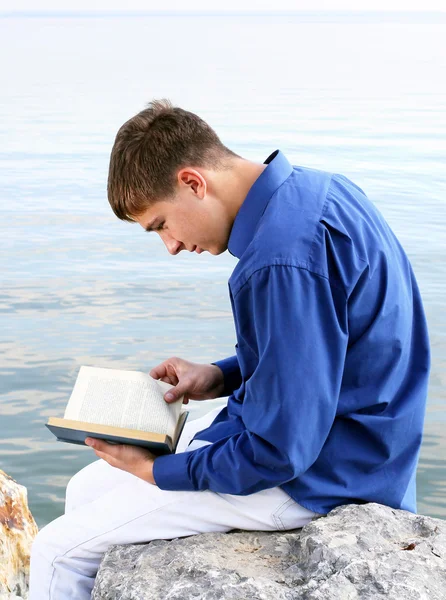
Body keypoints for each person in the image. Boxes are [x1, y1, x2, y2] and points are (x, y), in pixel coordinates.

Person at [29, 99, 430, 598]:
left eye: (160, 225)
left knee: (55, 551)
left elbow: (278, 451)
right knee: (84, 488)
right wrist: (219, 376)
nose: (170, 246)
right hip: (361, 442)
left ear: (193, 182)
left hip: (324, 476)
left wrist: (159, 471)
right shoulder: (317, 190)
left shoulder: (279, 262)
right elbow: (326, 342)